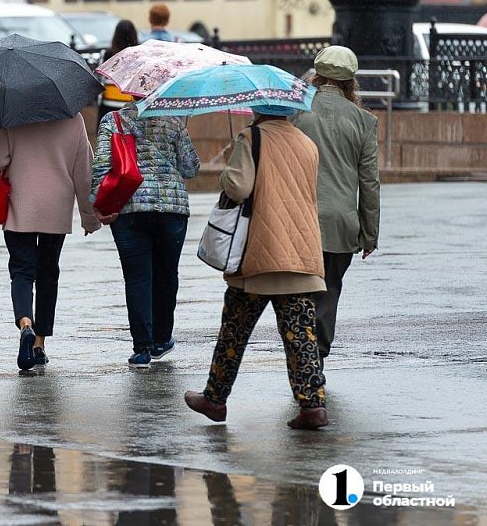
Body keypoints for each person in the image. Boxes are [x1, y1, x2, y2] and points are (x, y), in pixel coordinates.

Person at [184, 105, 329, 430]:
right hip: (301, 250)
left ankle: (215, 399)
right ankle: (313, 404)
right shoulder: (307, 142)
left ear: (258, 109)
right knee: (301, 334)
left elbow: (238, 188)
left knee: (234, 331)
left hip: (260, 253)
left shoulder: (252, 137)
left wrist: (226, 168)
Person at [0, 113, 101, 371]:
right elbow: (83, 171)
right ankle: (39, 343)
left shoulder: (11, 115)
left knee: (22, 271)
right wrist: (88, 217)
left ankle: (25, 323)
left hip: (19, 205)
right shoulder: (74, 119)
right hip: (56, 208)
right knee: (48, 274)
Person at [290, 45, 380, 366]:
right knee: (329, 291)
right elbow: (369, 184)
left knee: (299, 291)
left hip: (301, 219)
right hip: (342, 223)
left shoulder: (298, 112)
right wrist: (369, 235)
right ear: (350, 81)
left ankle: (301, 354)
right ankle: (318, 356)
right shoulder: (364, 122)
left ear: (317, 74)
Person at [91, 104, 200, 368]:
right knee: (166, 274)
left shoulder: (113, 120)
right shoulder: (174, 120)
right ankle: (162, 340)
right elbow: (190, 168)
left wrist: (98, 204)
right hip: (171, 210)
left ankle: (141, 349)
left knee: (137, 279)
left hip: (130, 208)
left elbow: (102, 166)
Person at [97, 20, 140, 122]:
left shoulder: (107, 54)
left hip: (108, 104)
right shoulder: (138, 54)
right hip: (130, 104)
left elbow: (100, 79)